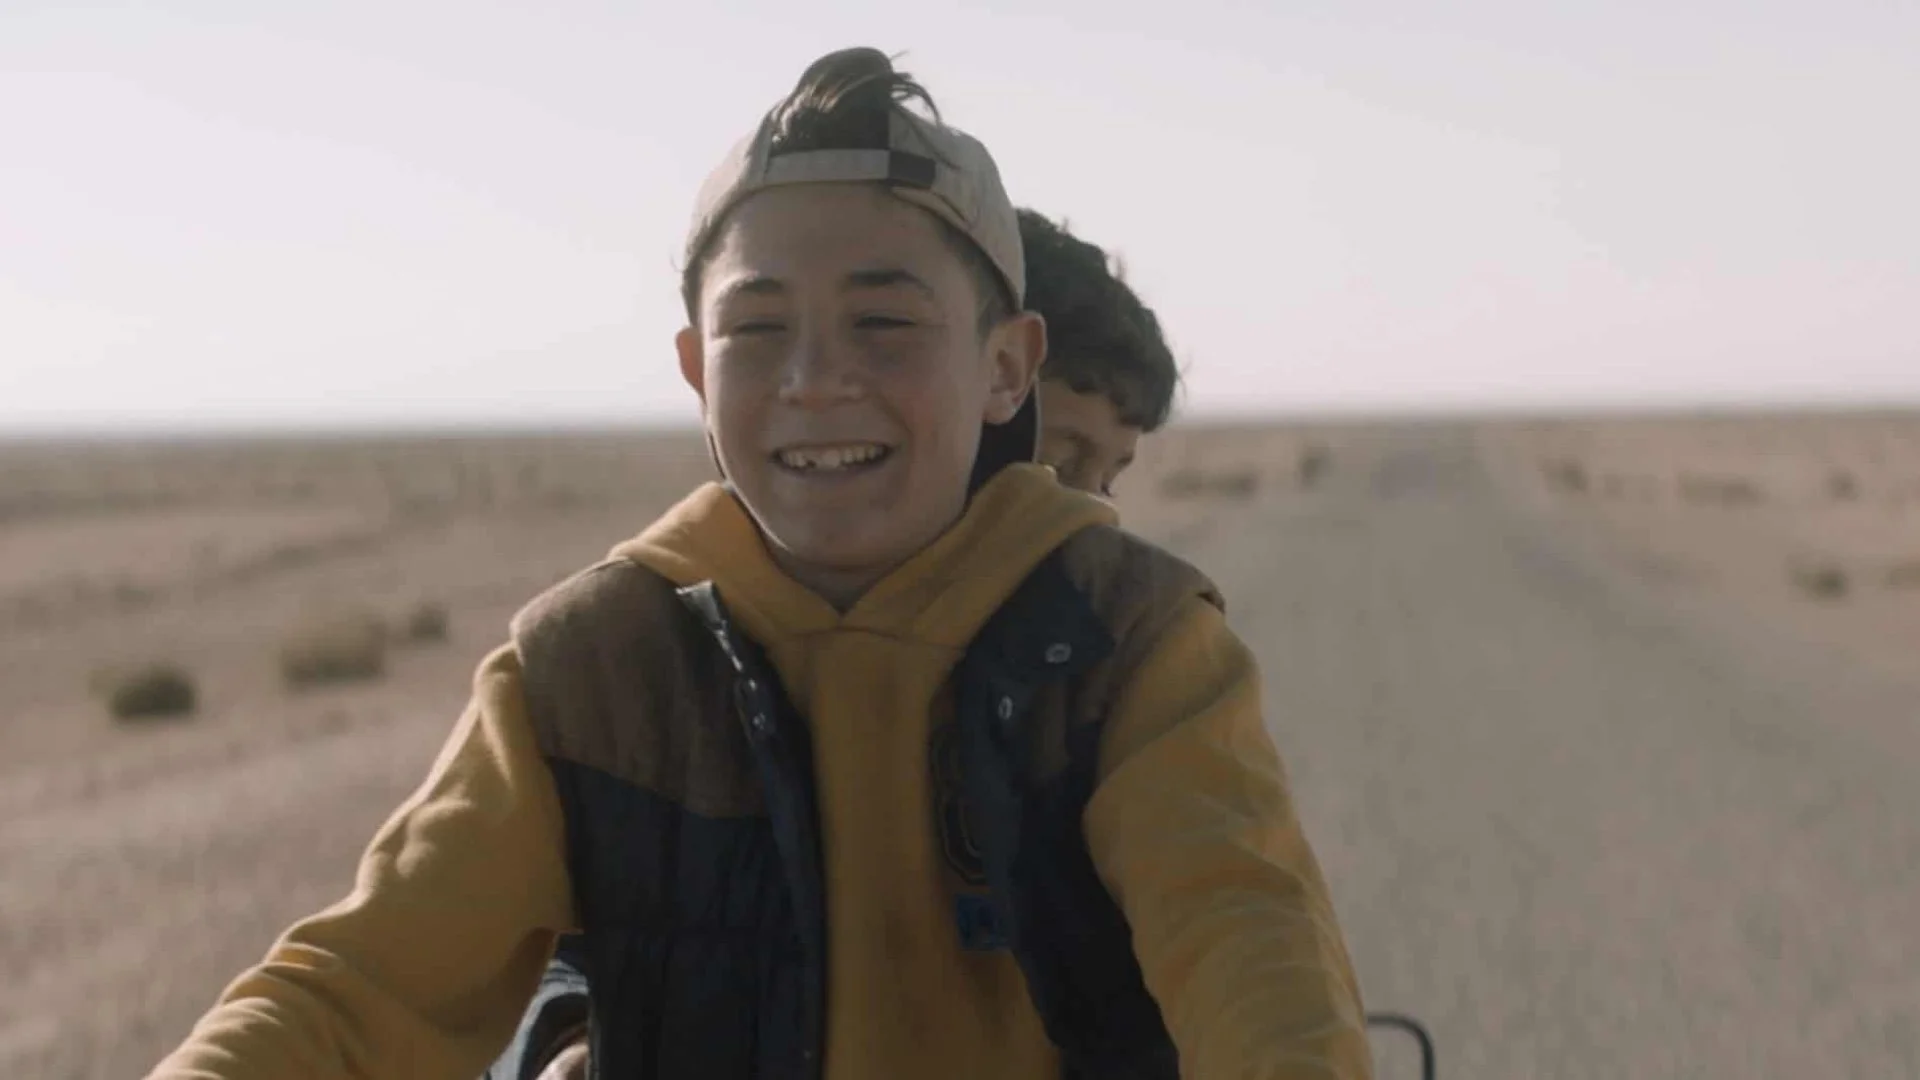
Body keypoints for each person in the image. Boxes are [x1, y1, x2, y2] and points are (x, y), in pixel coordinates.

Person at [145, 46, 1371, 1080]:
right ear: (695, 370)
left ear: (1006, 366)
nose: (814, 379)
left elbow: (1251, 956)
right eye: (759, 327)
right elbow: (357, 992)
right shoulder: (590, 672)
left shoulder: (1132, 647)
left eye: (883, 322)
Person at [488, 205, 1186, 1080]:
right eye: (1065, 459)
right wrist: (567, 1042)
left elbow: (1226, 924)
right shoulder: (692, 650)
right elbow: (581, 925)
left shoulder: (1113, 676)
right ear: (980, 392)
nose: (1090, 510)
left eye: (1108, 477)